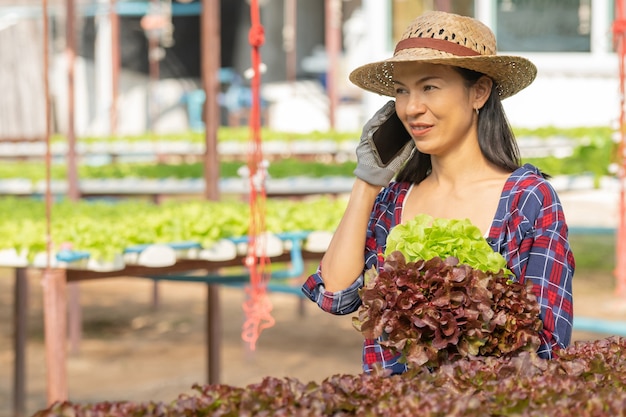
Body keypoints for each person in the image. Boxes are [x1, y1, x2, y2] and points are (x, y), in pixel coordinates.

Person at [301, 10, 574, 375]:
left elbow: (547, 343)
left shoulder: (527, 200)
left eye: (429, 87)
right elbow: (335, 295)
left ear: (479, 92)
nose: (412, 108)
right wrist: (367, 181)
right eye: (402, 90)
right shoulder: (395, 200)